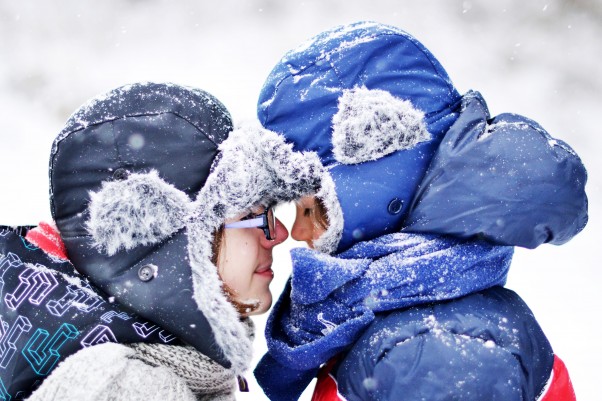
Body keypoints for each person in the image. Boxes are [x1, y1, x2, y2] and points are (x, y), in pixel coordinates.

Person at [253, 22, 588, 400]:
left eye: (314, 210)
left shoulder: (433, 350)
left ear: (377, 194)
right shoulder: (408, 321)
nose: (296, 232)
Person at [0, 82, 323, 400]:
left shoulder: (150, 364)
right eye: (253, 214)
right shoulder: (129, 388)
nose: (279, 234)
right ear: (167, 243)